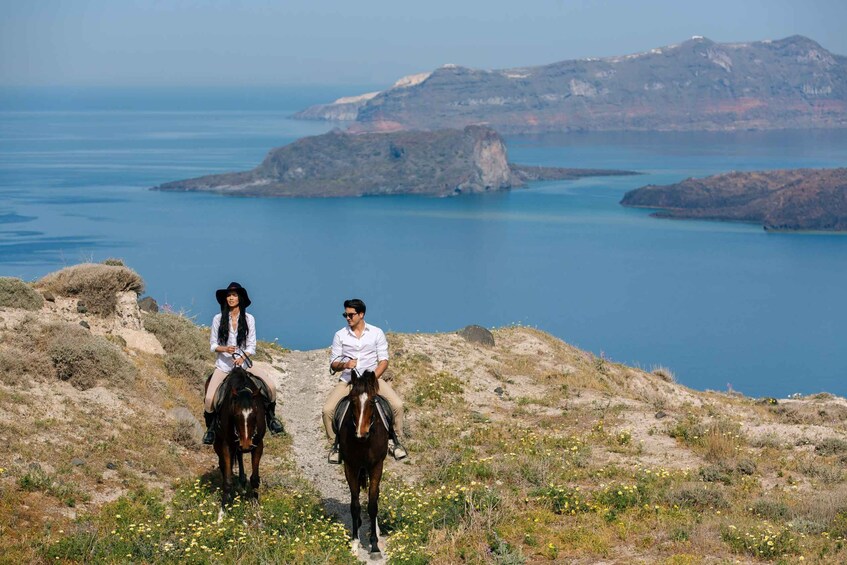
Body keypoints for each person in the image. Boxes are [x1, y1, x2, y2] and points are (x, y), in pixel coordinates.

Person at [323, 298, 407, 464]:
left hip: (372, 381)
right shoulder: (340, 335)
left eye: (351, 315)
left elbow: (383, 360)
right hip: (349, 381)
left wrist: (372, 378)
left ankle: (395, 441)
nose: (347, 318)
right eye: (345, 315)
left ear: (361, 314)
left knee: (397, 405)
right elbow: (333, 363)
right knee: (327, 410)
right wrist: (345, 364)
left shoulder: (376, 333)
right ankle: (336, 445)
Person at [202, 282, 284, 444]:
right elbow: (212, 345)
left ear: (240, 298)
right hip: (224, 367)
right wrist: (224, 349)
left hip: (245, 365)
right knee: (210, 399)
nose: (231, 298)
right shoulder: (218, 319)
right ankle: (211, 429)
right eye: (228, 295)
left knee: (271, 387)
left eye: (234, 295)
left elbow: (251, 345)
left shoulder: (249, 319)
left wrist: (242, 357)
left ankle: (271, 419)